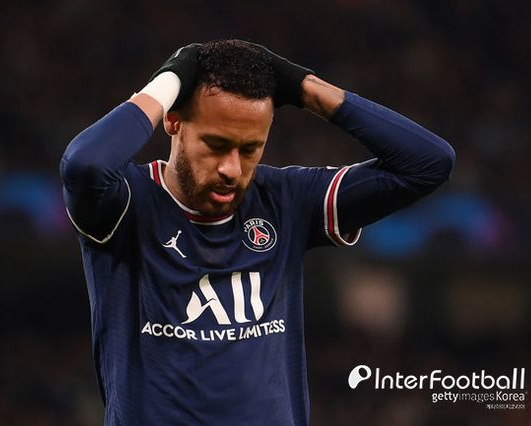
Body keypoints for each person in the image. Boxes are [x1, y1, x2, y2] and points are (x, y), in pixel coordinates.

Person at [60, 40, 455, 425]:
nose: (231, 169)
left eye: (250, 149)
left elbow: (428, 163)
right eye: (216, 145)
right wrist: (169, 81)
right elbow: (85, 166)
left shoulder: (286, 200)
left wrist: (304, 86)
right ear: (173, 121)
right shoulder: (125, 204)